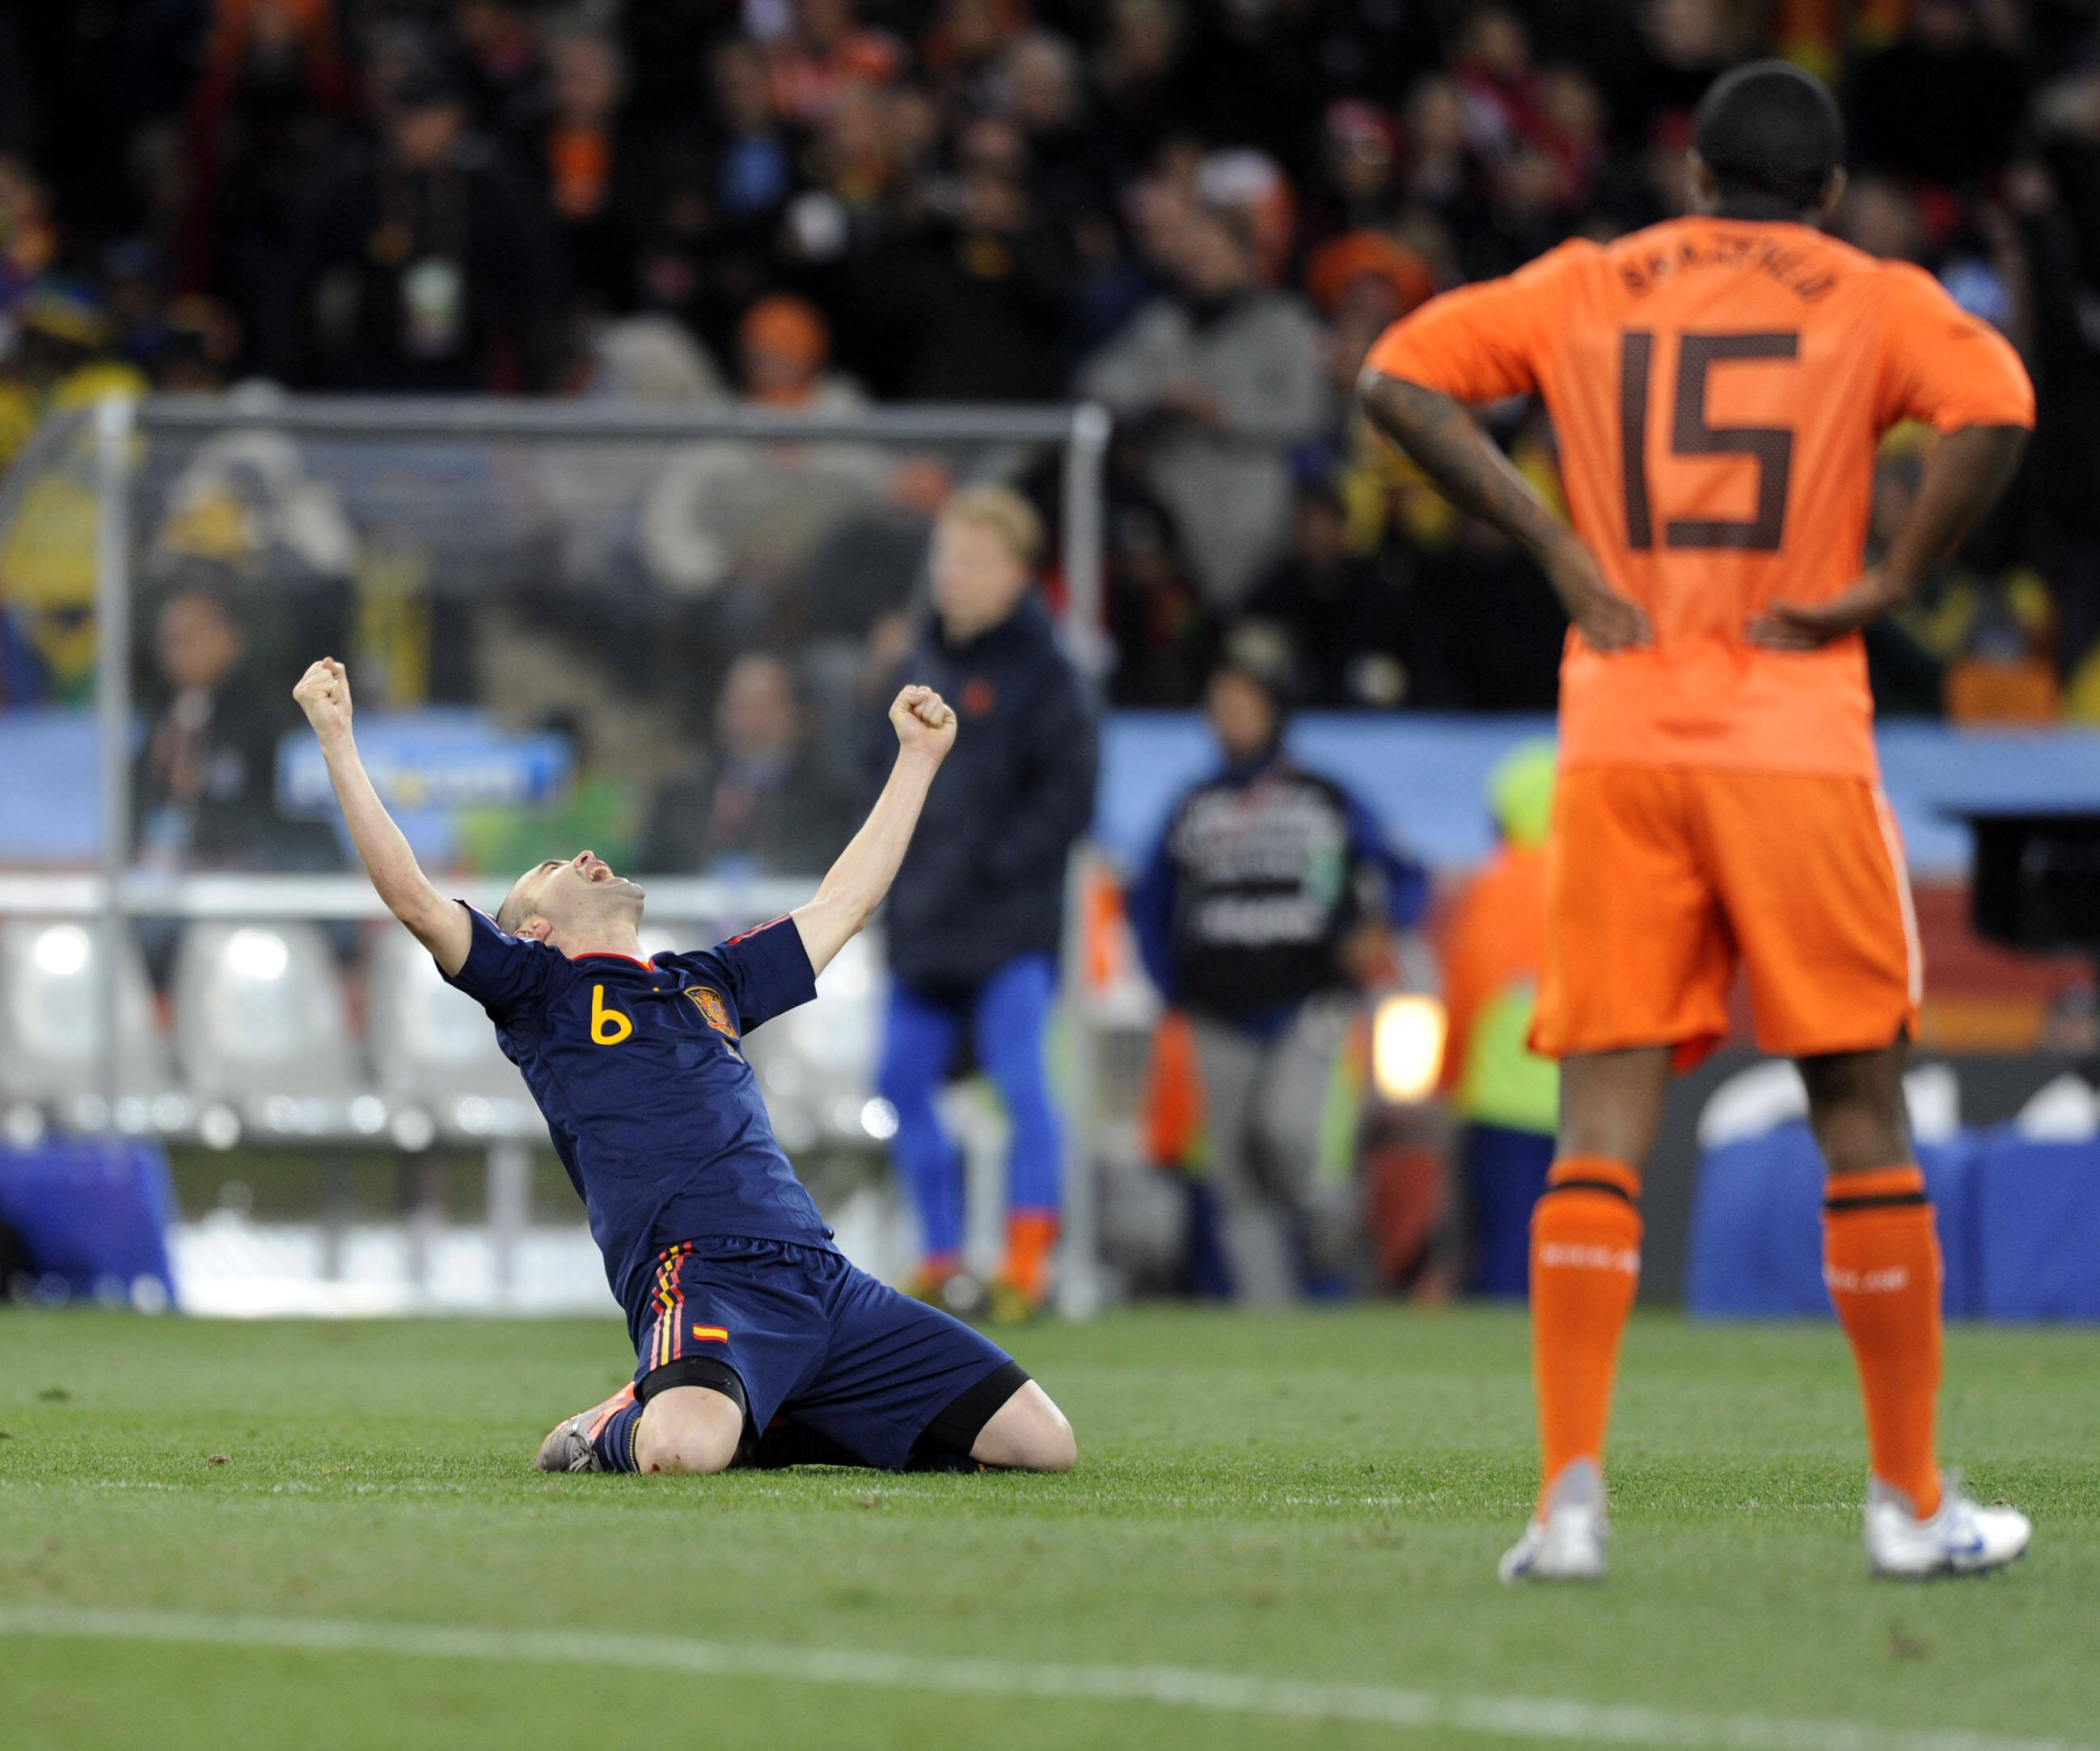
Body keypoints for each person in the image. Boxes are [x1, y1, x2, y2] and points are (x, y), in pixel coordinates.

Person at [1359, 61, 2035, 1581]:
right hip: (1793, 741)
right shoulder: (1870, 293)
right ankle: (1910, 1503)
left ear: (1694, 179)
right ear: (1828, 190)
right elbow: (1998, 402)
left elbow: (1395, 375)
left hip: (1619, 730)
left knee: (1601, 1117)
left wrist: (1547, 541)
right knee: (1857, 1108)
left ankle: (1569, 1504)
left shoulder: (1596, 281)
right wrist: (1891, 580)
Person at [291, 654, 1075, 1479]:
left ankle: (764, 1414)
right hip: (698, 1274)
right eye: (554, 869)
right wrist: (338, 739)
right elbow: (414, 898)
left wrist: (918, 761)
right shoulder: (538, 991)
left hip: (823, 1279)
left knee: (1042, 1446)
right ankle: (614, 1424)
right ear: (533, 931)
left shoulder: (708, 981)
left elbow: (843, 902)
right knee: (679, 1453)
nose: (585, 854)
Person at [1128, 659, 1426, 1303]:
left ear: (1274, 710)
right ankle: (1269, 1319)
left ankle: (1335, 1222)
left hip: (1306, 999)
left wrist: (1385, 927)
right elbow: (1148, 899)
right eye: (1217, 704)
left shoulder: (1323, 796)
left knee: (1287, 1132)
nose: (1228, 716)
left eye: (1241, 701)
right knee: (1235, 1173)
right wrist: (1168, 983)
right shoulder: (1194, 804)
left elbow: (1403, 871)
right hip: (1216, 1008)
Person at [872, 485, 1097, 1320]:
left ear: (1015, 573)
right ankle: (939, 1259)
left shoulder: (1047, 677)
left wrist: (994, 867)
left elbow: (1068, 797)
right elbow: (875, 773)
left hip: (1007, 929)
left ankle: (1025, 1266)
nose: (952, 577)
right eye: (945, 560)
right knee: (897, 1080)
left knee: (1019, 1081)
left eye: (969, 560)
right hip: (924, 925)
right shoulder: (913, 668)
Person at [1435, 740, 1558, 1299]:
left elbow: (1466, 987)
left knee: (1506, 1239)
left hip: (1502, 1094)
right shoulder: (1603, 878)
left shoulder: (1496, 884)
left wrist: (1447, 1076)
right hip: (1587, 1098)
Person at [640, 652, 859, 876]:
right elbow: (655, 876)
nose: (749, 719)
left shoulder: (830, 803)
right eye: (737, 704)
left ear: (797, 716)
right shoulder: (680, 798)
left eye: (764, 705)